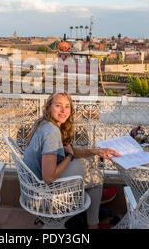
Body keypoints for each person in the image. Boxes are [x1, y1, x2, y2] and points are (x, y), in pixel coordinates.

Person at [22, 92, 121, 229]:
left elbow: (69, 149)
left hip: (32, 190)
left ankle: (92, 198)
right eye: (58, 106)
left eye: (67, 106)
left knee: (91, 161)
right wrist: (69, 157)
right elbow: (49, 177)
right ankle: (93, 220)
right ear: (49, 107)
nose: (64, 111)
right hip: (44, 195)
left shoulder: (42, 123)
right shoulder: (51, 132)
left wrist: (97, 152)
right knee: (95, 175)